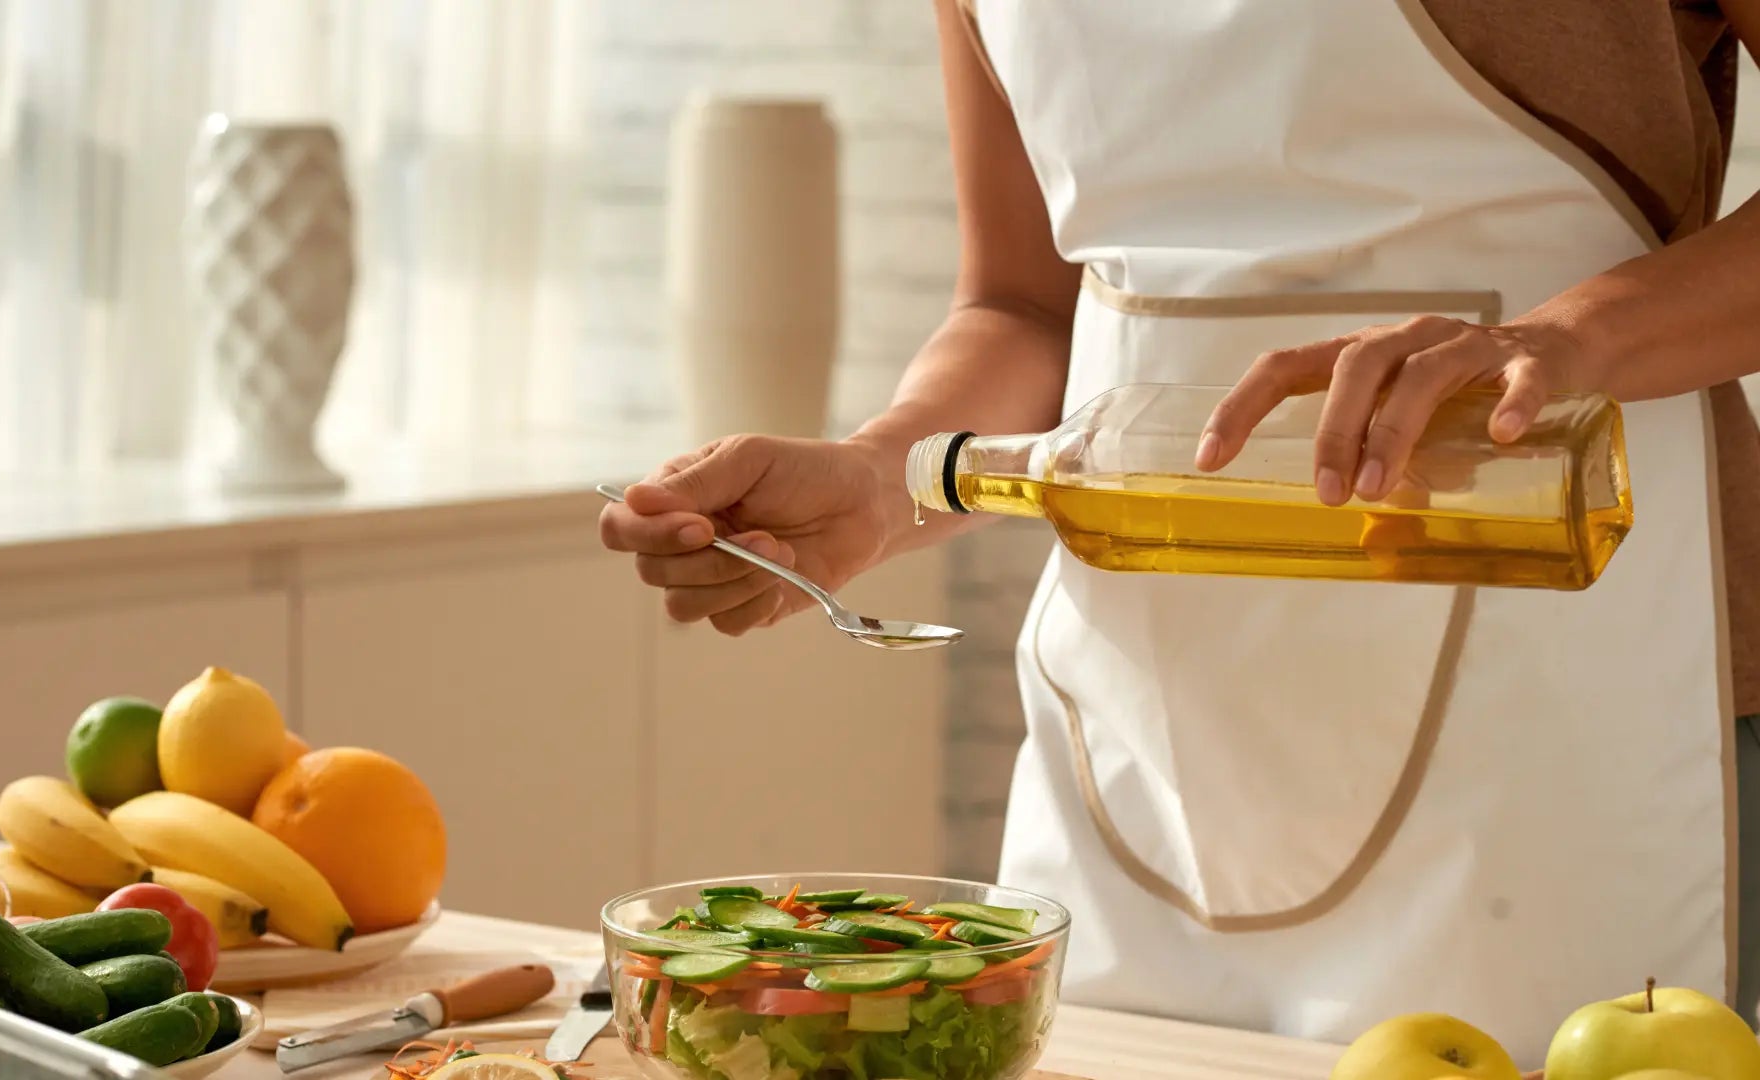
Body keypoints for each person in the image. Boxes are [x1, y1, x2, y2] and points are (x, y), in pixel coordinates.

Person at [599, 0, 1760, 1059]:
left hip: (1562, 698)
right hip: (1142, 723)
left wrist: (1566, 339)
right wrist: (881, 474)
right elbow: (1024, 304)